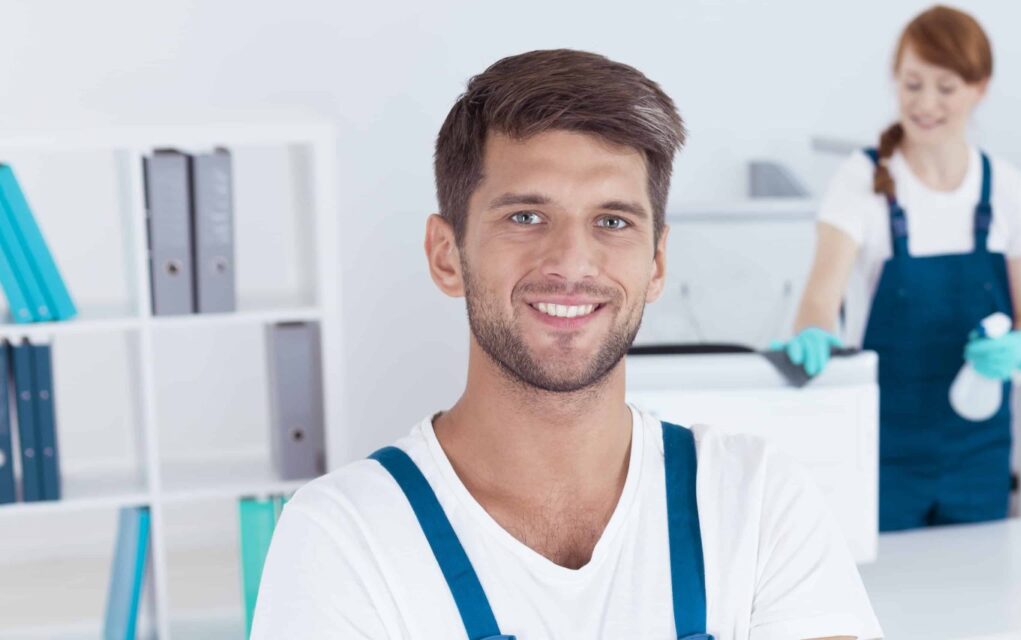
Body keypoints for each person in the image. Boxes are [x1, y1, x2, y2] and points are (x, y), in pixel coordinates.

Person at [251, 49, 881, 639]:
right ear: (447, 255)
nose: (572, 262)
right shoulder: (344, 539)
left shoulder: (757, 502)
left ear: (657, 262)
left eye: (613, 221)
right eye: (525, 217)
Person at [774, 5, 1021, 532]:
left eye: (946, 88)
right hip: (882, 443)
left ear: (979, 88)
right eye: (912, 83)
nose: (925, 104)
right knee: (886, 600)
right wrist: (812, 332)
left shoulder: (1009, 189)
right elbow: (819, 299)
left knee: (975, 590)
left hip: (980, 447)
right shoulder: (862, 180)